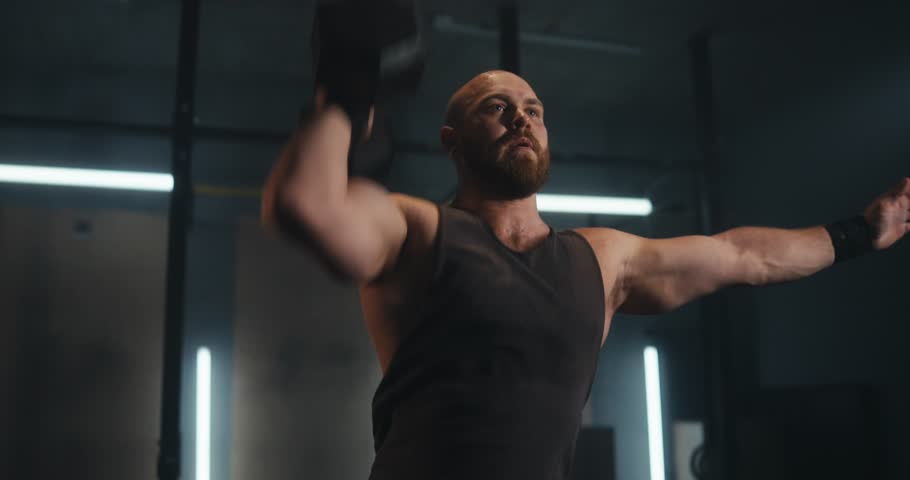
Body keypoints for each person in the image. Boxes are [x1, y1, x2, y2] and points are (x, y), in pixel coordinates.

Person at [262, 69, 910, 479]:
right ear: (452, 142)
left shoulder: (604, 259)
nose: (523, 116)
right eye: (497, 106)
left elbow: (746, 256)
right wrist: (343, 93)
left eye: (534, 107)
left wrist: (859, 233)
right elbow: (306, 205)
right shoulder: (416, 230)